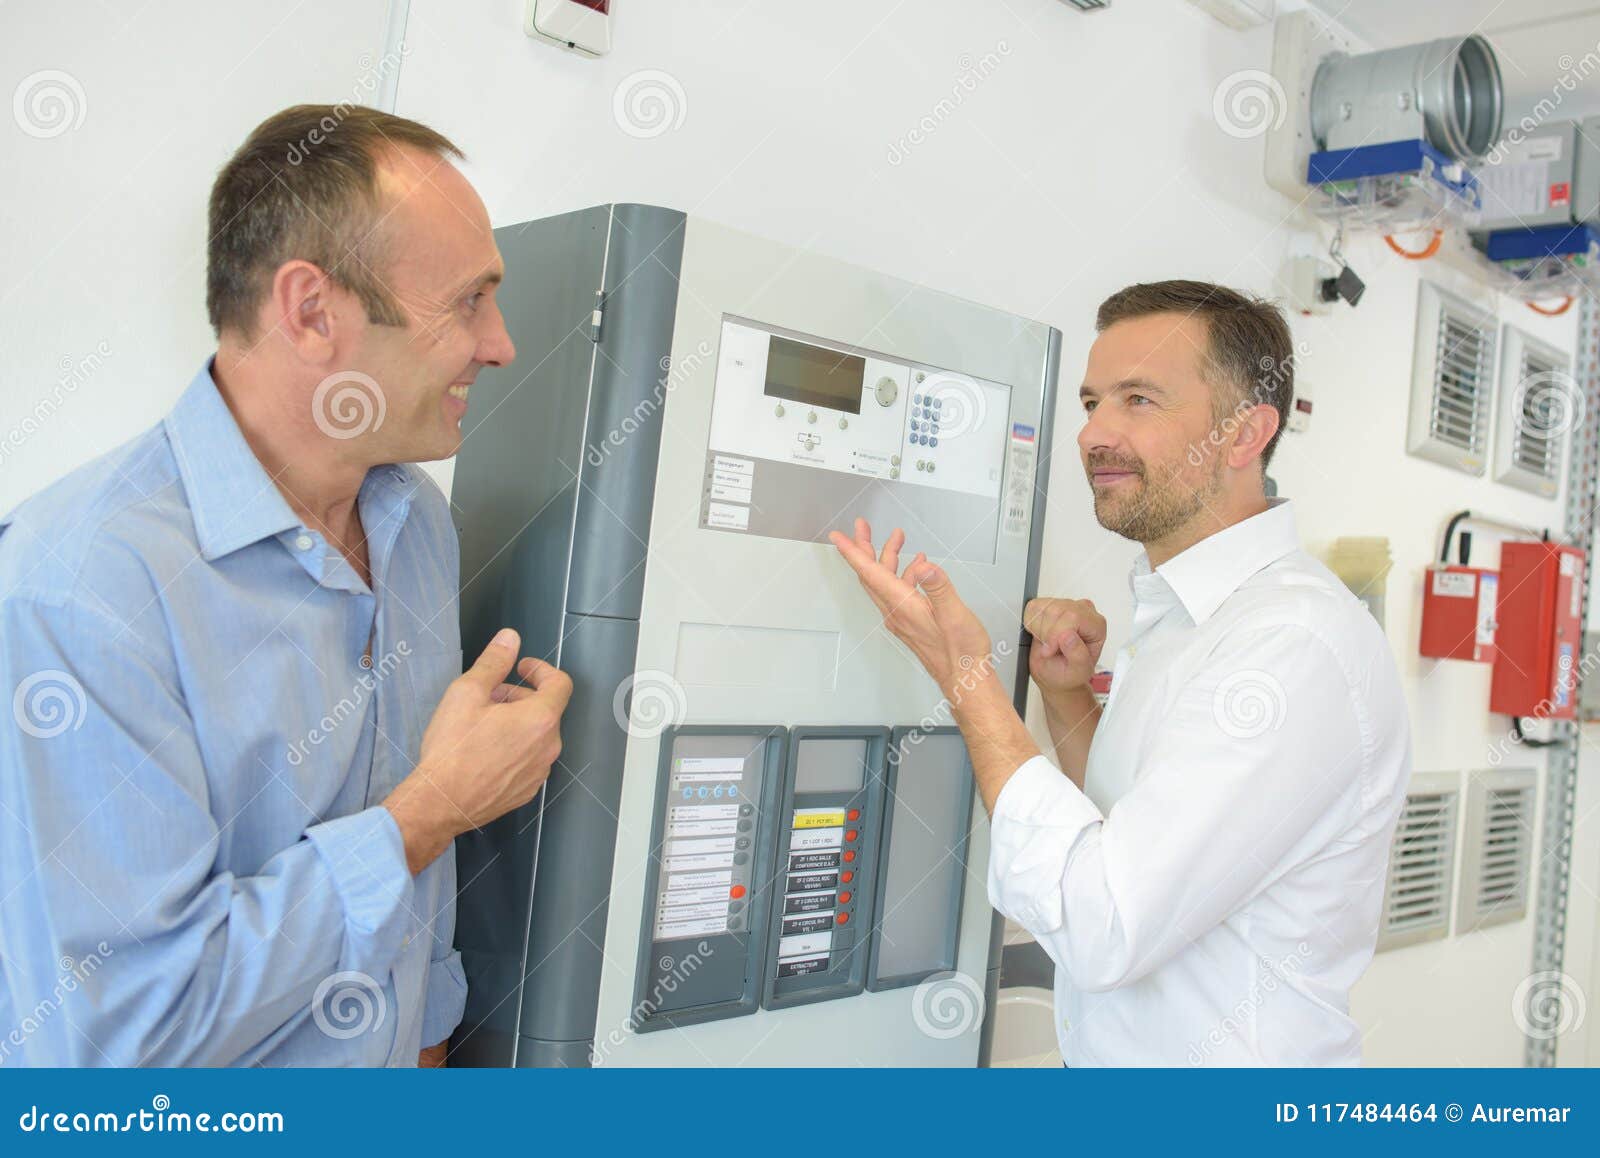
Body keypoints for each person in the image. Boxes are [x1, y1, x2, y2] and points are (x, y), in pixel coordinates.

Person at [0, 106, 569, 1066]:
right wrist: (431, 810)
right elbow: (129, 1033)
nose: (501, 343)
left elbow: (413, 939)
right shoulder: (80, 587)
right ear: (311, 312)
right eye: (469, 300)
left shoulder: (414, 521)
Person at [831, 280, 1411, 1065]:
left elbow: (1103, 922)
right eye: (1091, 401)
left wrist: (966, 679)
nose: (1094, 434)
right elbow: (1134, 830)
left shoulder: (1290, 644)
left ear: (1245, 435)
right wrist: (1068, 698)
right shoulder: (1183, 615)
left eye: (1139, 401)